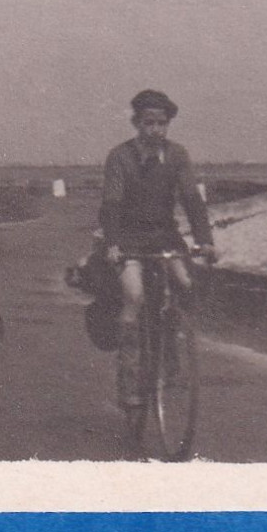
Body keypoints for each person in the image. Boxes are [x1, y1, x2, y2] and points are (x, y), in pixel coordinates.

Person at [98, 89, 218, 411]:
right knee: (134, 296)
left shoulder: (177, 155)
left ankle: (170, 356)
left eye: (162, 124)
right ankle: (129, 380)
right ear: (137, 123)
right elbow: (111, 204)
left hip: (165, 237)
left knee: (185, 284)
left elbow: (192, 198)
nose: (156, 130)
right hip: (128, 239)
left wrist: (205, 240)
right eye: (149, 123)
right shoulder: (120, 157)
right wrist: (111, 244)